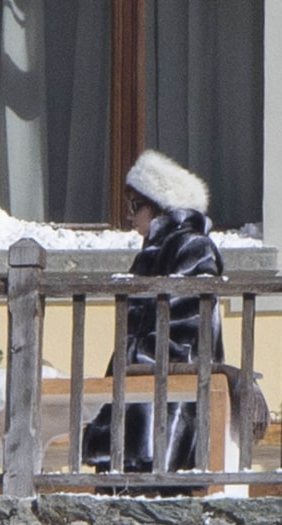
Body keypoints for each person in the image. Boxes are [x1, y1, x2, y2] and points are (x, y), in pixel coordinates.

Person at [81, 149, 226, 490]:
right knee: (124, 482)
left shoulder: (193, 246)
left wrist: (139, 363)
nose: (129, 216)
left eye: (135, 205)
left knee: (160, 484)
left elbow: (186, 322)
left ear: (158, 206)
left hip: (173, 388)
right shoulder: (153, 251)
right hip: (143, 383)